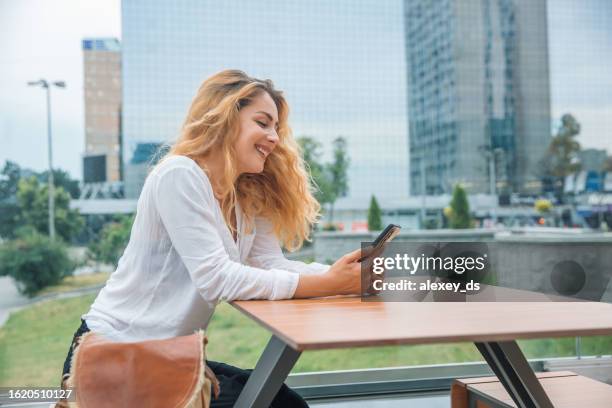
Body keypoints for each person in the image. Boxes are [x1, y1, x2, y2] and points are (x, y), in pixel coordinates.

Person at [59, 69, 367, 408]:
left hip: (168, 355)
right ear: (225, 118)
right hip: (117, 354)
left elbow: (270, 264)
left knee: (279, 401)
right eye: (262, 123)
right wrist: (330, 284)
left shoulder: (247, 195)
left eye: (276, 128)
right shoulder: (179, 174)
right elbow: (217, 279)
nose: (274, 137)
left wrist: (342, 275)